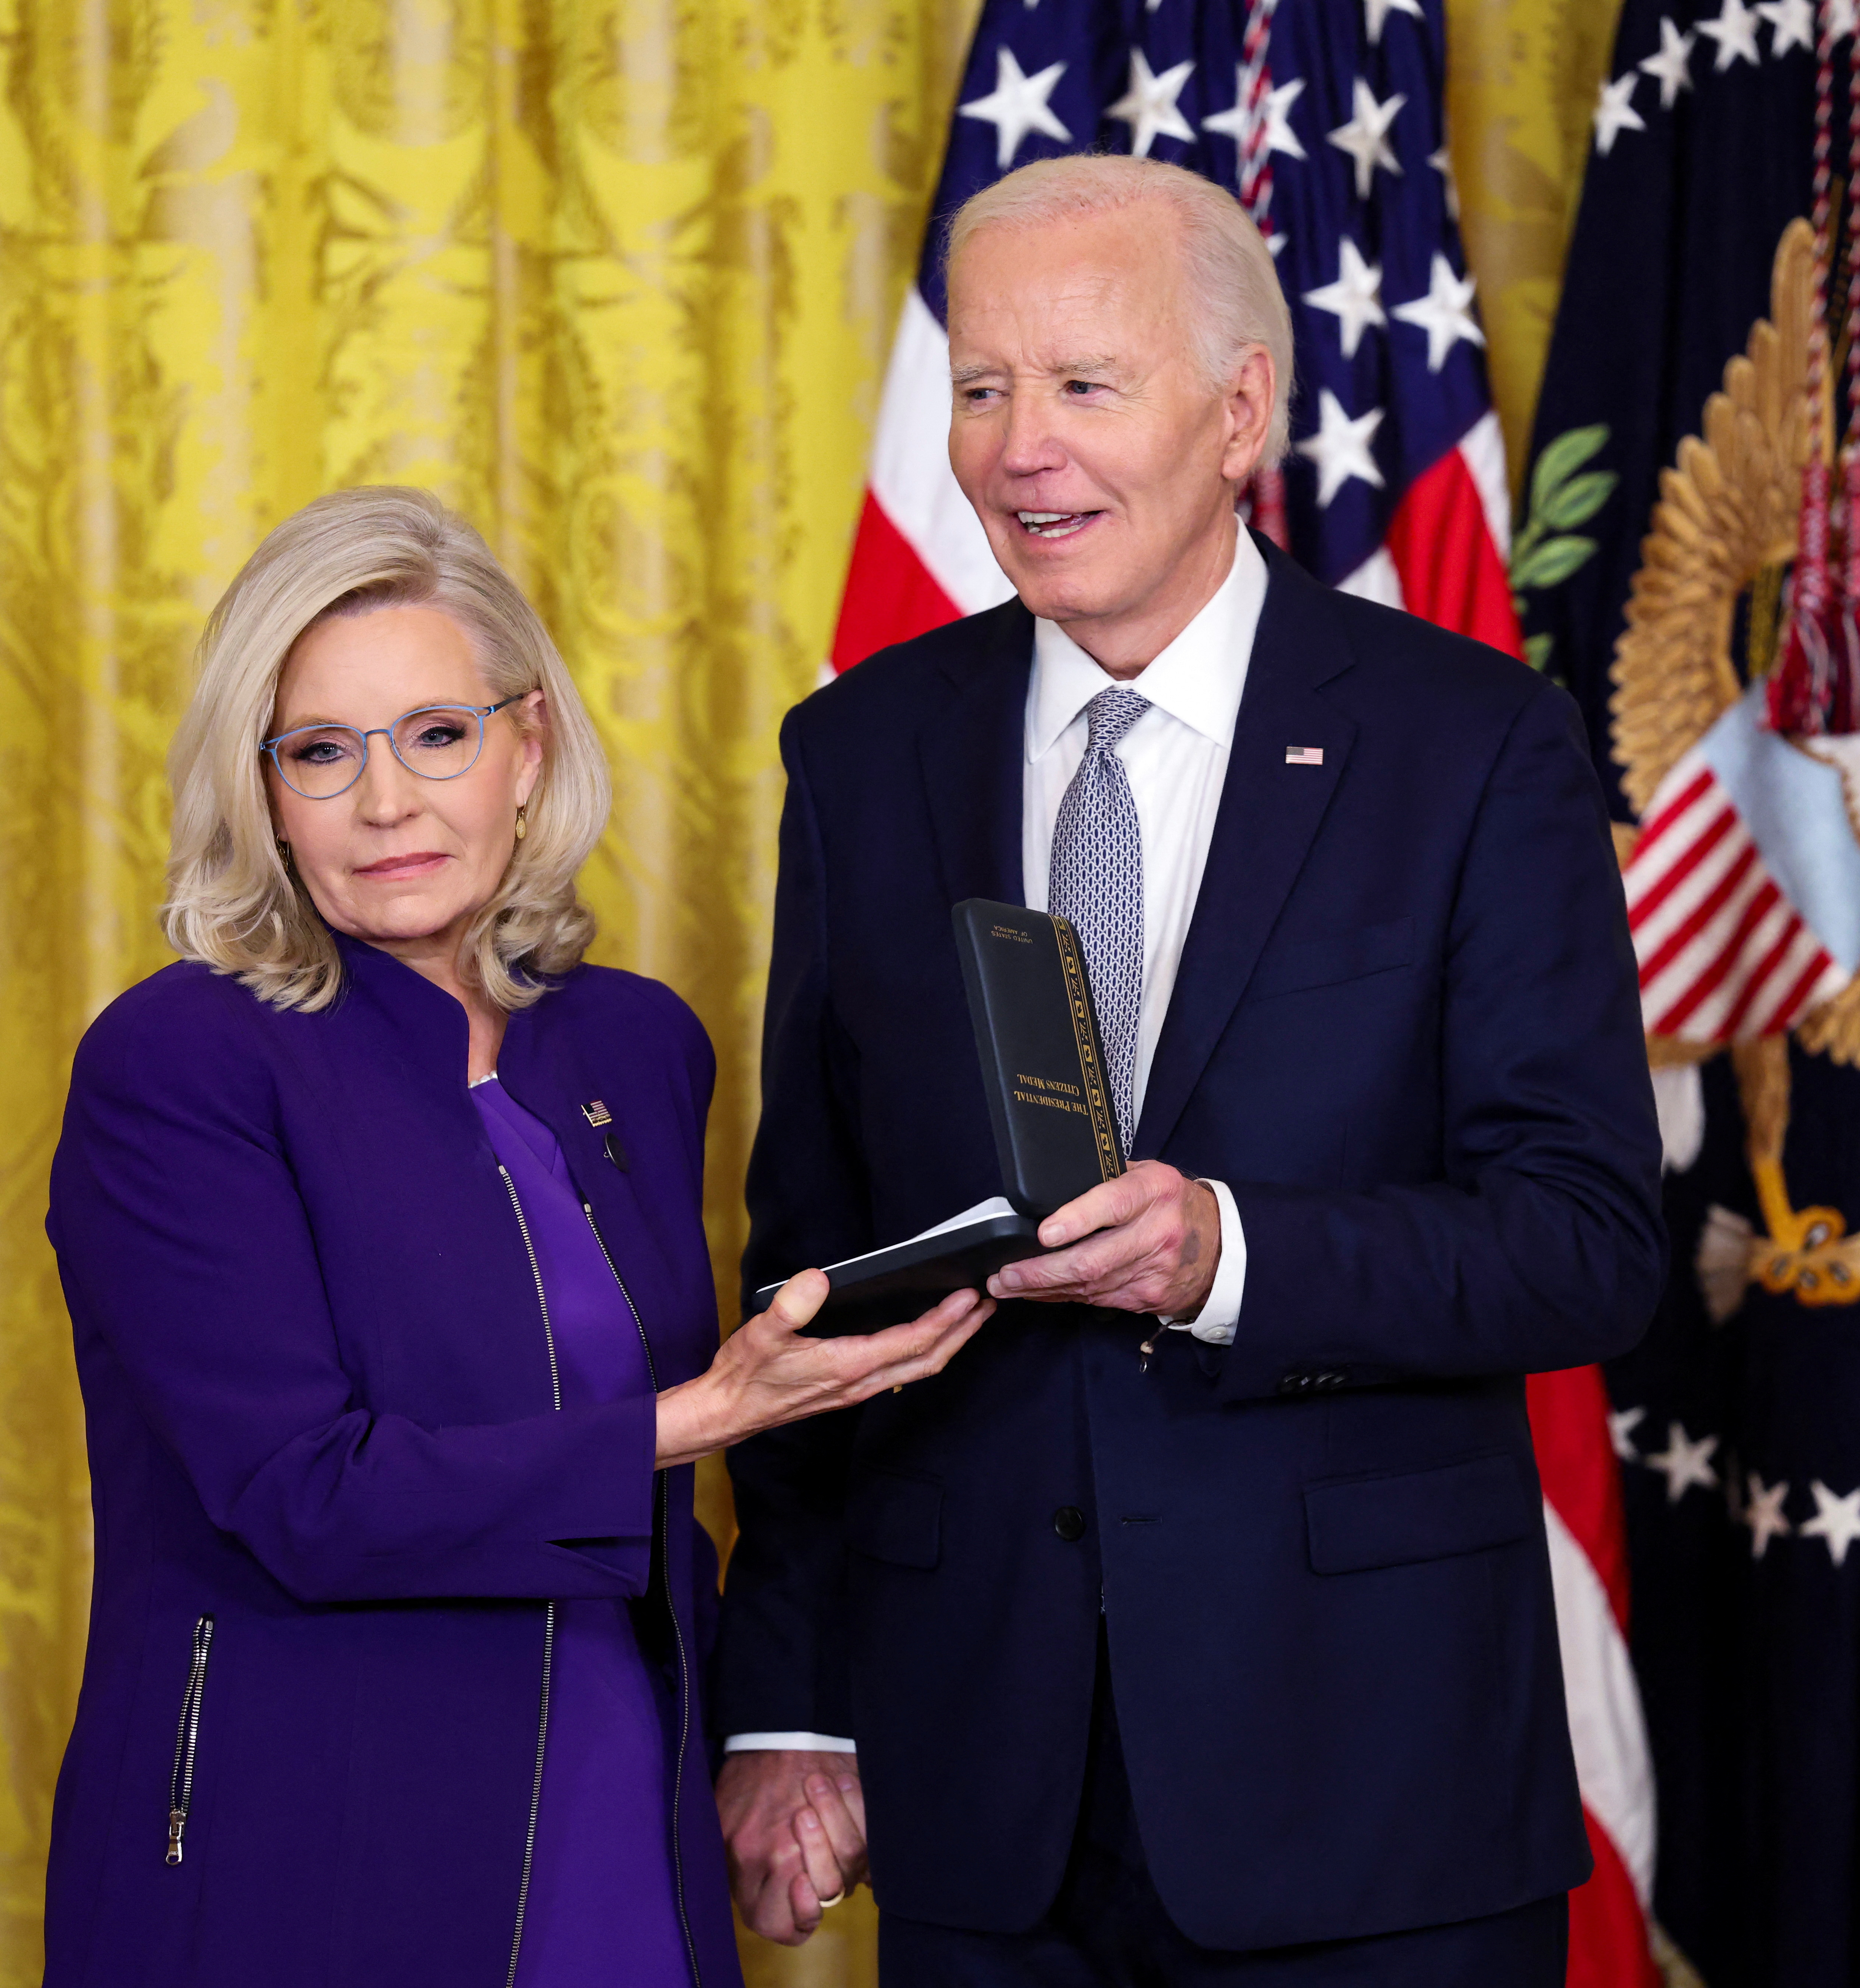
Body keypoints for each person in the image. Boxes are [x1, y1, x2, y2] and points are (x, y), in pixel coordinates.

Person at [712, 155, 1664, 1984]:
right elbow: (807, 1261)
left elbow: (1585, 1238)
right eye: (981, 388)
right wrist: (789, 1708)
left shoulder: (1472, 747)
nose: (1014, 448)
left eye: (1082, 385)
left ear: (1240, 414)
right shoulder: (861, 753)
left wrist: (1226, 1255)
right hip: (980, 1785)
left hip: (1364, 1786)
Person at [41, 485, 991, 1985]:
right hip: (302, 1831)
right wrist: (702, 1417)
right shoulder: (180, 1065)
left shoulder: (632, 1046)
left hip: (621, 1786)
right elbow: (303, 1493)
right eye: (321, 754)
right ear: (262, 788)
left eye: (438, 734)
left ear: (527, 745)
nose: (387, 803)